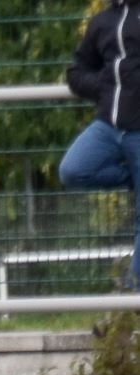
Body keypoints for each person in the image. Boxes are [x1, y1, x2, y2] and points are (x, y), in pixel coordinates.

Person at [60, 0, 140, 291]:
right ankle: (132, 178)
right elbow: (76, 73)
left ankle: (134, 289)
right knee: (72, 170)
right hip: (108, 126)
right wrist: (102, 86)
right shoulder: (102, 22)